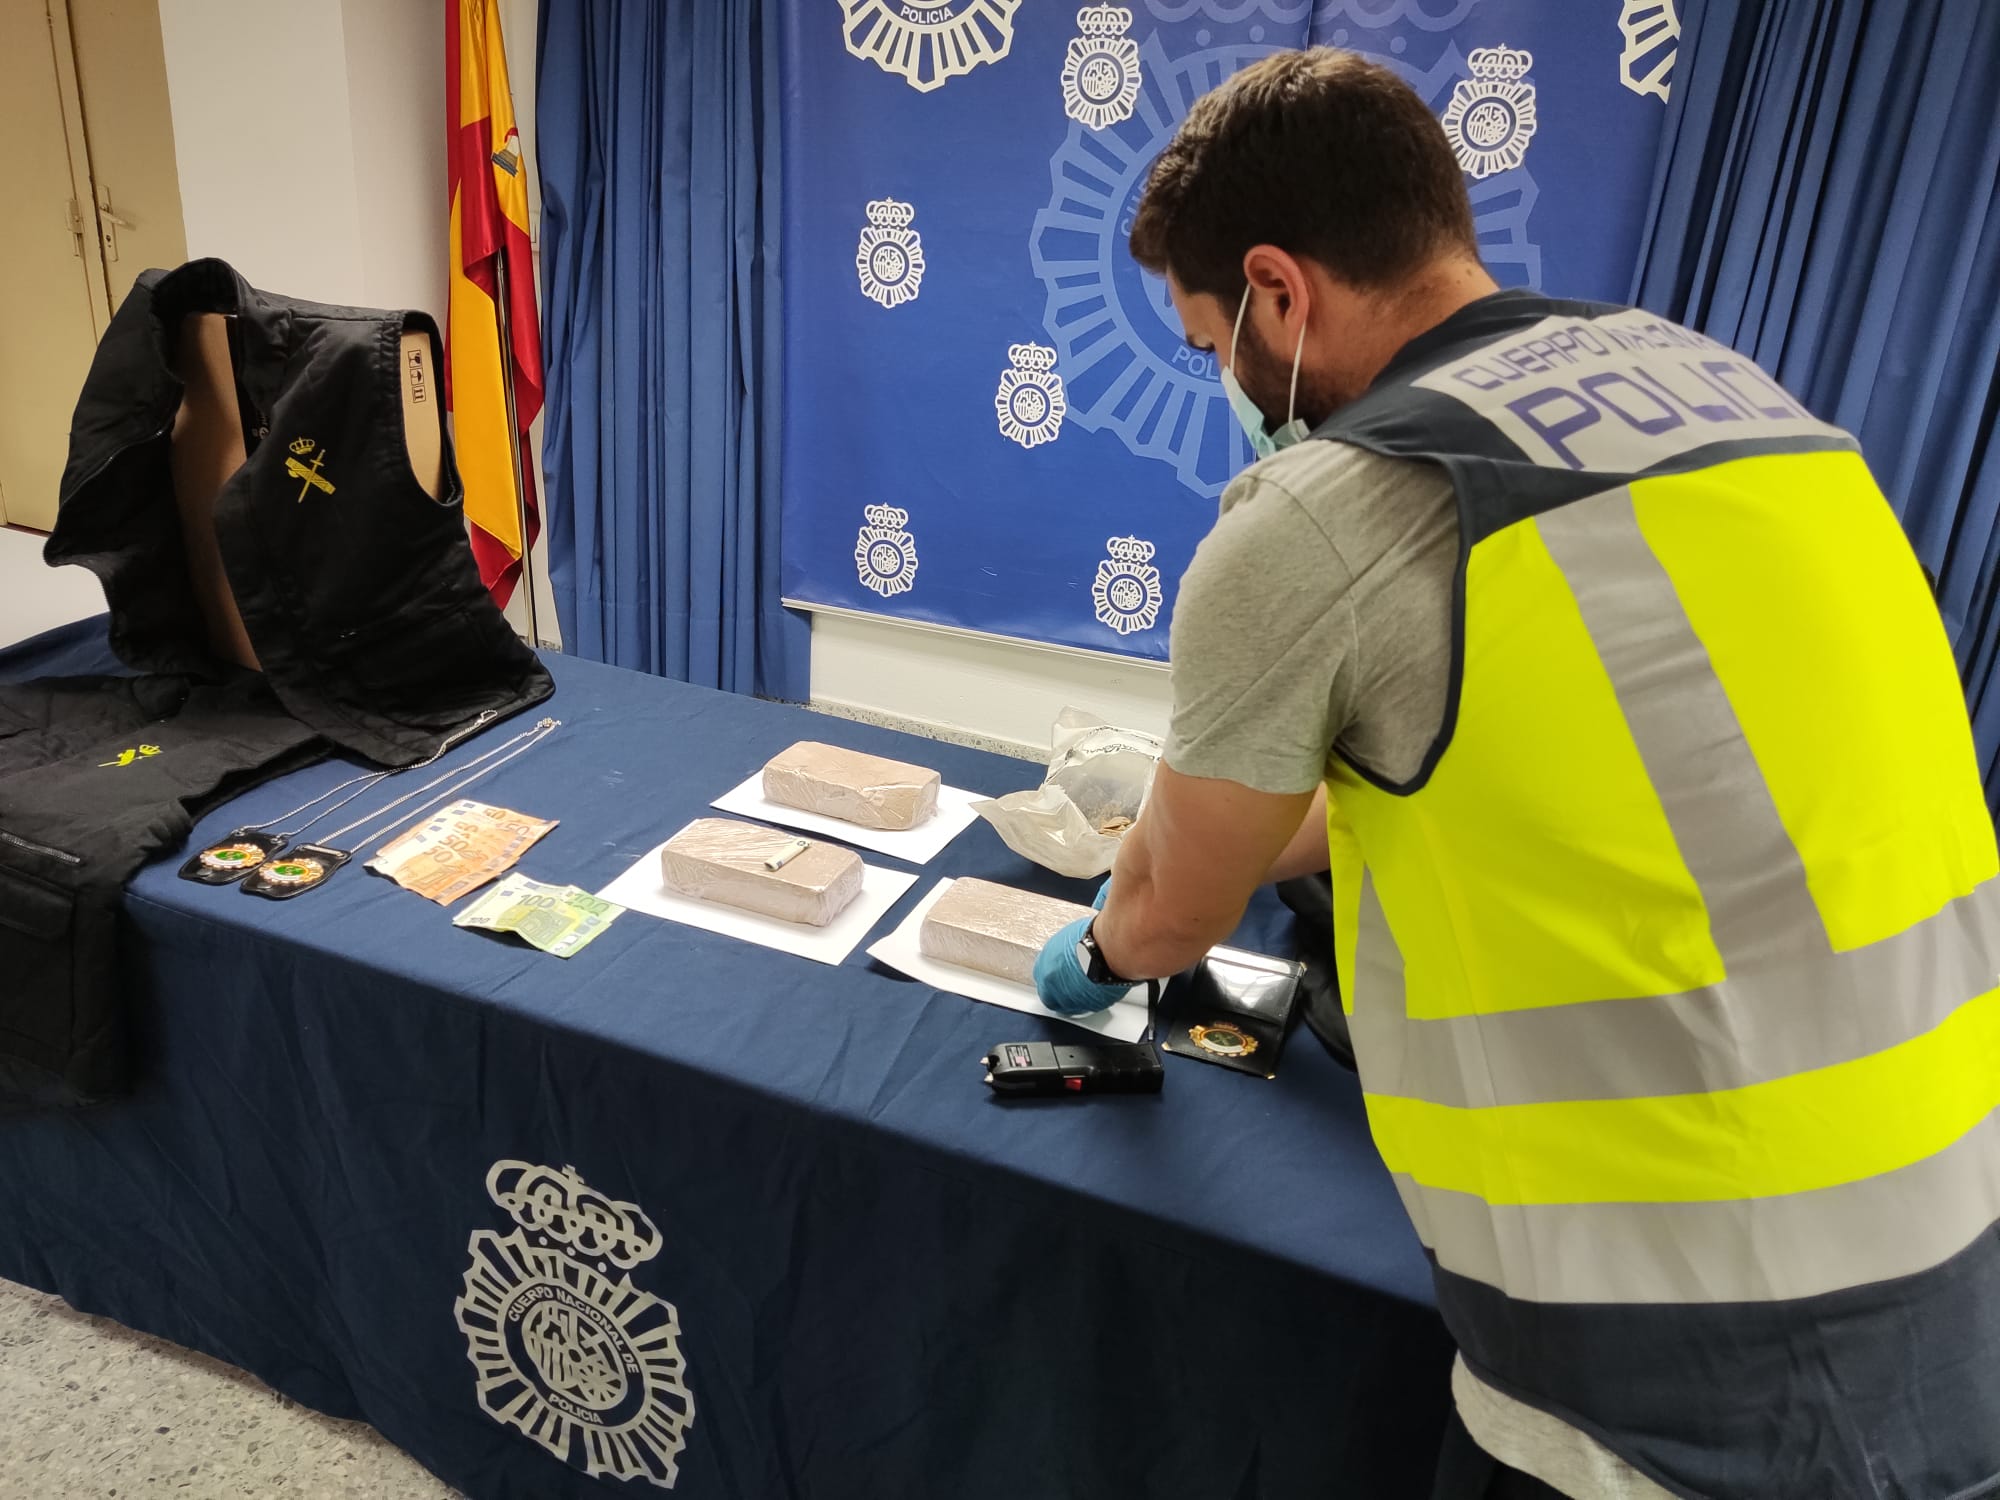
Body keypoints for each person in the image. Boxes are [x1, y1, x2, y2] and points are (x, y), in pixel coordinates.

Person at [1030, 47, 2000, 1500]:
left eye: (1210, 341)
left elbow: (1173, 911)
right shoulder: (1739, 400)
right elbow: (1556, 757)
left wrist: (1096, 948)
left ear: (1281, 293)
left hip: (1670, 1369)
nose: (1225, 380)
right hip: (1952, 1262)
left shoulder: (1329, 510)